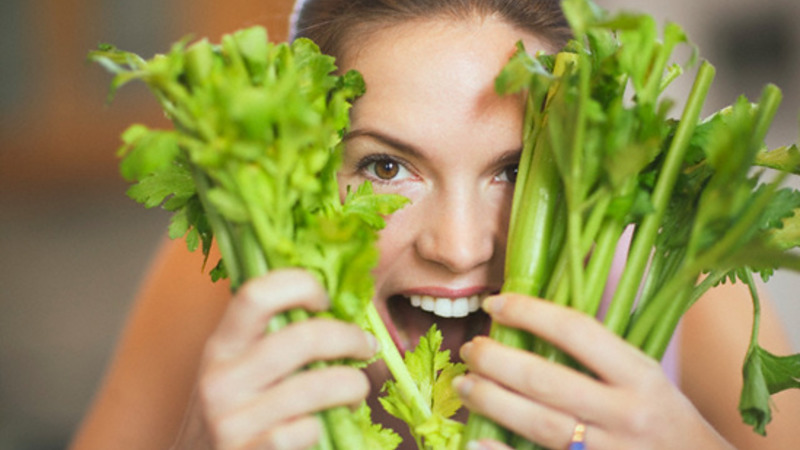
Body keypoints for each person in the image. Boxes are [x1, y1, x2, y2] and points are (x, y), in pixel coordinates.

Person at [70, 1, 800, 449]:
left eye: (515, 171)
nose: (457, 248)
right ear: (296, 167)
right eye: (386, 167)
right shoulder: (230, 278)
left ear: (589, 163)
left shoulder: (686, 282)